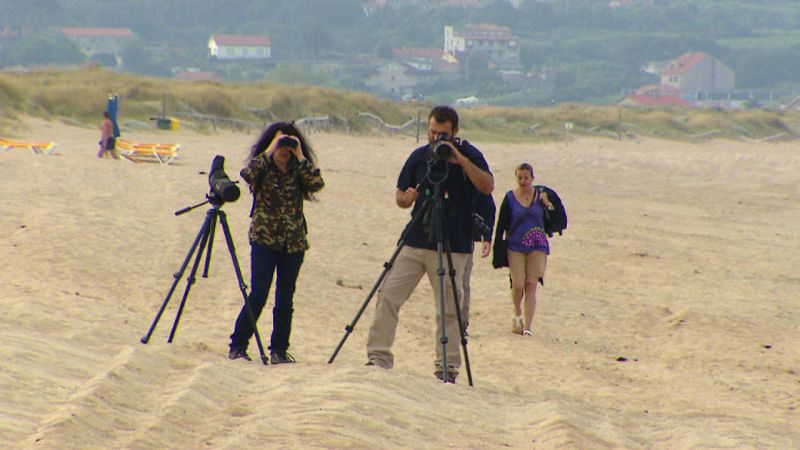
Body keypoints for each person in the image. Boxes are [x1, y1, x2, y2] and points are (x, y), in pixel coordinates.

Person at [365, 105, 493, 383]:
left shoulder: (469, 155)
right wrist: (406, 198)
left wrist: (460, 159)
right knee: (387, 294)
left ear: (455, 133)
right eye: (433, 132)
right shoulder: (420, 156)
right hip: (415, 238)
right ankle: (378, 357)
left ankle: (447, 367)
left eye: (443, 134)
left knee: (449, 308)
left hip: (453, 243)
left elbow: (487, 186)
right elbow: (400, 195)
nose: (437, 139)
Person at [228, 122, 324, 364]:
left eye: (289, 145)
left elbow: (316, 184)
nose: (285, 149)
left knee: (285, 298)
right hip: (264, 239)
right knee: (258, 294)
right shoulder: (263, 167)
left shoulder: (298, 168)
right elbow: (247, 174)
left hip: (293, 243)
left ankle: (279, 350)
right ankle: (238, 345)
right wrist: (271, 149)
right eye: (282, 144)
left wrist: (300, 154)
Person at [493, 163, 554, 336]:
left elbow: (556, 216)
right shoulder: (510, 198)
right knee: (518, 284)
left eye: (526, 177)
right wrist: (497, 246)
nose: (523, 181)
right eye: (520, 177)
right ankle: (517, 311)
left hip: (538, 244)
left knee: (531, 284)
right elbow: (501, 225)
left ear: (532, 178)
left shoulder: (541, 196)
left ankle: (527, 327)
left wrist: (547, 203)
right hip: (515, 246)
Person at [460, 192, 496, 336]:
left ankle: (461, 323)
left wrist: (487, 238)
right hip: (442, 237)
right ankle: (450, 321)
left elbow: (489, 208)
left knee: (462, 282)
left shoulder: (473, 178)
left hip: (464, 239)